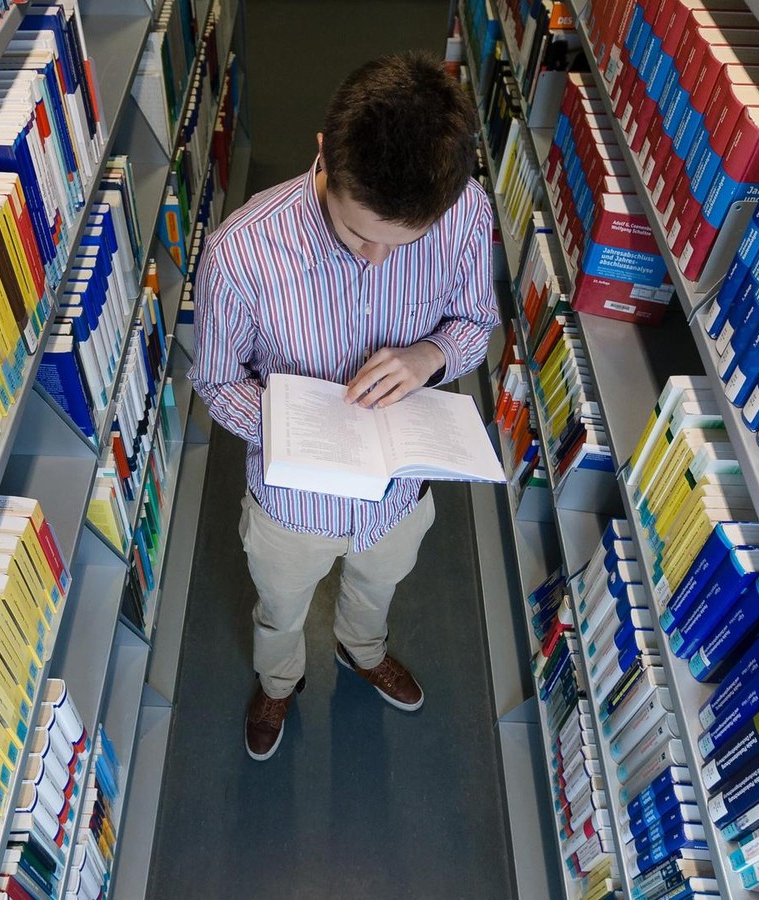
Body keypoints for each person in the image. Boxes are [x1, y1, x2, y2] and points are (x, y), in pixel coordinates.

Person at [188, 51, 501, 761]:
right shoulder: (240, 255)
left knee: (379, 585)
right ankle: (279, 680)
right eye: (359, 234)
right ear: (323, 153)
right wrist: (291, 429)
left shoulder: (465, 214)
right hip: (290, 507)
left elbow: (474, 325)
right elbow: (216, 380)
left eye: (404, 244)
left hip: (397, 494)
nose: (377, 259)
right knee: (281, 607)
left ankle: (364, 650)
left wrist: (430, 357)